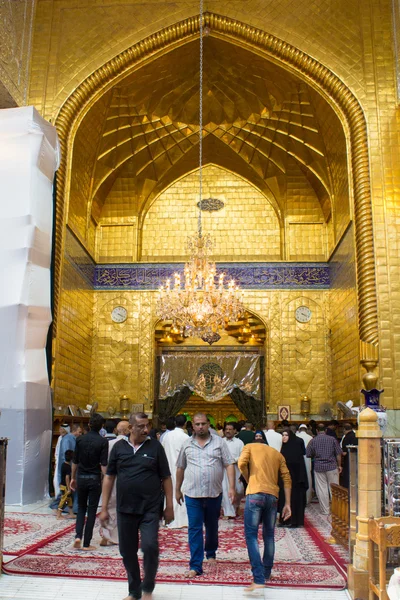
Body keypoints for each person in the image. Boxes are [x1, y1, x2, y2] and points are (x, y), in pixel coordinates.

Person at [100, 412, 173, 600]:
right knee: (127, 550)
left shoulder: (155, 447)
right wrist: (104, 507)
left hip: (150, 508)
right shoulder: (118, 448)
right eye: (141, 426)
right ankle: (134, 591)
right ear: (130, 428)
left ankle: (148, 587)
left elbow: (166, 477)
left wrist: (170, 506)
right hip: (125, 508)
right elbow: (109, 477)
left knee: (149, 546)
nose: (146, 429)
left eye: (147, 425)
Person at [176, 412, 236, 577]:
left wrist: (231, 487)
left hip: (213, 493)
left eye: (203, 424)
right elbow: (180, 467)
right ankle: (195, 565)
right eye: (197, 424)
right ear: (192, 426)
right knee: (194, 528)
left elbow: (229, 464)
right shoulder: (187, 444)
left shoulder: (219, 443)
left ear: (208, 424)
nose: (200, 427)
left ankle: (210, 552)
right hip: (192, 494)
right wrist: (177, 489)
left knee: (211, 526)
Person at [238, 431, 291, 593]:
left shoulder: (249, 447)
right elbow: (287, 477)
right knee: (269, 535)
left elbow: (241, 464)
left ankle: (259, 578)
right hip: (273, 496)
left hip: (255, 494)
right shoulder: (276, 453)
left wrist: (249, 481)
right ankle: (266, 573)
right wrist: (287, 503)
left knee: (251, 535)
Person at [71, 413, 108, 550]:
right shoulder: (103, 442)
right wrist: (107, 479)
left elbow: (75, 460)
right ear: (101, 427)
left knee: (81, 508)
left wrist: (73, 477)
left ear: (89, 425)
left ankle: (78, 536)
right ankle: (87, 542)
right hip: (94, 479)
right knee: (92, 510)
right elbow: (104, 464)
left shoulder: (80, 440)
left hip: (81, 477)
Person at [99, 419, 130, 546]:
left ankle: (107, 534)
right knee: (123, 507)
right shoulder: (129, 444)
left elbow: (103, 463)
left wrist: (106, 476)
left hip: (110, 477)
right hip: (126, 479)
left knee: (110, 506)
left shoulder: (110, 444)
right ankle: (120, 536)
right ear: (128, 430)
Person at [306, 422, 342, 515]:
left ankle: (325, 510)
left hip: (319, 467)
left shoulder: (313, 440)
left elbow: (308, 454)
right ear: (325, 430)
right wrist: (339, 465)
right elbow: (338, 453)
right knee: (334, 489)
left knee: (322, 489)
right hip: (332, 466)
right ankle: (336, 510)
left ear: (317, 431)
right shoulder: (332, 439)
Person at [161, 414, 189, 528]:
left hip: (168, 468)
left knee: (169, 493)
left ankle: (169, 518)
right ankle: (181, 519)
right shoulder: (186, 438)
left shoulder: (166, 436)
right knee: (181, 491)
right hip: (181, 469)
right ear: (185, 424)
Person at [278, 429, 308, 527]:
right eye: (283, 435)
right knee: (284, 499)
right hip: (285, 481)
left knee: (295, 500)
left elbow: (300, 467)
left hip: (296, 482)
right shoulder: (283, 449)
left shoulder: (296, 451)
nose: (284, 437)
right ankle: (284, 520)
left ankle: (295, 521)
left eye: (286, 435)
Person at [221, 422, 244, 518]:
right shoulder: (221, 441)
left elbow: (243, 456)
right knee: (225, 490)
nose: (228, 431)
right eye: (226, 429)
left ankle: (236, 506)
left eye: (230, 429)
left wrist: (234, 460)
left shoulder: (239, 443)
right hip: (224, 470)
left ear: (235, 431)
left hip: (236, 468)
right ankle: (228, 512)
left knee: (239, 490)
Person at [296, 423, 313, 503]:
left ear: (299, 430)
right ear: (306, 430)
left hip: (298, 460)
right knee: (308, 478)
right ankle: (308, 499)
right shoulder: (310, 437)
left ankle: (300, 499)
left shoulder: (297, 437)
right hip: (308, 459)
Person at [56, 449, 75, 519]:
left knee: (69, 500)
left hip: (62, 485)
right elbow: (67, 478)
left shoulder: (63, 465)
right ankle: (58, 515)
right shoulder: (68, 467)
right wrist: (69, 488)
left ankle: (71, 513)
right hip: (65, 486)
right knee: (63, 500)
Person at [53, 424, 69, 498]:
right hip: (59, 462)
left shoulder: (68, 438)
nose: (59, 430)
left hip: (66, 462)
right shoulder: (60, 438)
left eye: (61, 429)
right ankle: (58, 496)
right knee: (56, 480)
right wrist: (56, 462)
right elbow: (57, 451)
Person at [340, 422, 357, 488]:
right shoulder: (356, 435)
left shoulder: (346, 438)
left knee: (348, 476)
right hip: (356, 459)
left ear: (344, 429)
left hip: (348, 460)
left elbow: (344, 453)